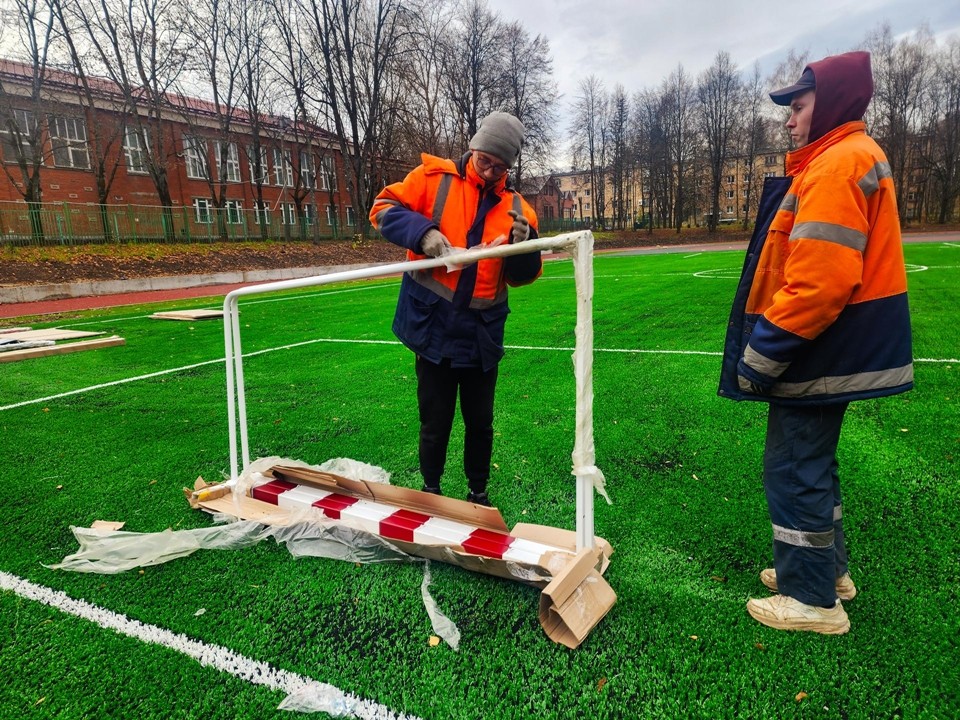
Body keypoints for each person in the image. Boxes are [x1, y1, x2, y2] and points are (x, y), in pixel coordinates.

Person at [718, 51, 913, 634]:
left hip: (819, 352)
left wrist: (761, 356)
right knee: (815, 466)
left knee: (793, 468)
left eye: (798, 106)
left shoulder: (836, 165)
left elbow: (819, 283)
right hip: (837, 349)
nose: (789, 119)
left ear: (827, 105)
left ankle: (811, 599)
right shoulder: (850, 157)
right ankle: (828, 573)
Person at [369, 111, 541, 507]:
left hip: (482, 334)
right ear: (473, 147)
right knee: (435, 420)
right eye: (485, 160)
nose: (491, 170)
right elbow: (381, 208)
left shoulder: (519, 208)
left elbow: (523, 276)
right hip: (432, 329)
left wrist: (525, 242)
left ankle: (478, 494)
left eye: (500, 167)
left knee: (480, 424)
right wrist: (423, 233)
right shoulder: (432, 180)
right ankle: (430, 491)